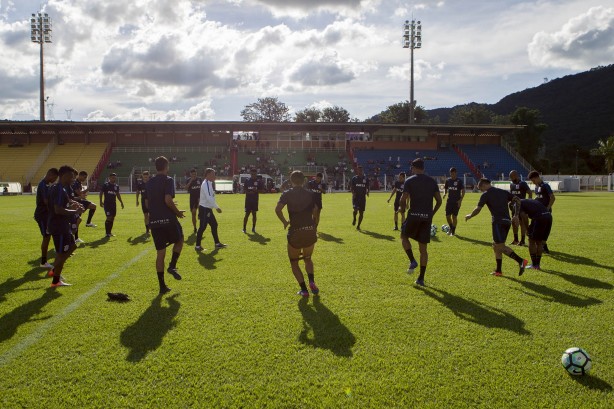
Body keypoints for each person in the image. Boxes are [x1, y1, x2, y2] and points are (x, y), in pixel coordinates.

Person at [465, 178, 528, 277]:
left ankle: (521, 261)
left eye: (480, 188)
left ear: (484, 185)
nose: (481, 190)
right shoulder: (503, 192)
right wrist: (515, 215)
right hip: (507, 222)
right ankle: (498, 270)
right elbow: (517, 200)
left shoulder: (486, 195)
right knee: (496, 246)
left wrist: (470, 215)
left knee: (500, 246)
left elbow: (478, 209)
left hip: (498, 222)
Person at [275, 170, 319, 297]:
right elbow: (316, 209)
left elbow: (278, 209)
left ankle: (304, 290)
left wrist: (284, 221)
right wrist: (314, 223)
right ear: (304, 181)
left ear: (291, 180)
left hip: (296, 232)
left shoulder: (287, 194)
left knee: (294, 262)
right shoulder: (310, 193)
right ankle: (311, 281)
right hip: (310, 231)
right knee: (308, 259)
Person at [399, 159, 442, 286]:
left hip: (413, 215)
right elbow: (439, 201)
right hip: (426, 218)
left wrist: (402, 208)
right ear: (423, 168)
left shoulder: (410, 180)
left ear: (413, 167)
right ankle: (421, 278)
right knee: (423, 249)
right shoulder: (432, 181)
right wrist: (431, 214)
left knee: (403, 236)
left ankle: (412, 260)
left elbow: (403, 198)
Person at [146, 156, 185, 294]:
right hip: (168, 219)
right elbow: (168, 200)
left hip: (155, 221)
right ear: (166, 166)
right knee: (180, 239)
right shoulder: (168, 180)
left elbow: (147, 202)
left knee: (160, 253)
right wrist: (177, 212)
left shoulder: (149, 182)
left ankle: (162, 286)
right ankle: (172, 266)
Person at [47, 165, 85, 287]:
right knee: (62, 252)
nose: (73, 179)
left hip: (60, 224)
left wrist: (72, 206)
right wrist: (75, 211)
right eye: (71, 176)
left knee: (71, 247)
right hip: (59, 225)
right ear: (63, 176)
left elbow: (61, 206)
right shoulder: (58, 189)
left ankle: (55, 272)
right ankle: (55, 279)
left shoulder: (59, 188)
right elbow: (58, 210)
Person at [512, 197, 553, 271]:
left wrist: (528, 229)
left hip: (539, 218)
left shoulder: (517, 205)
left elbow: (524, 217)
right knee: (539, 242)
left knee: (531, 240)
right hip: (548, 216)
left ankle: (534, 265)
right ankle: (537, 265)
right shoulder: (528, 200)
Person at [195, 168, 227, 251]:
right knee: (202, 227)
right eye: (213, 174)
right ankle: (198, 246)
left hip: (207, 209)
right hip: (205, 209)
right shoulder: (206, 184)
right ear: (208, 175)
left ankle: (217, 243)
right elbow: (209, 198)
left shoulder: (208, 183)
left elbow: (211, 197)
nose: (214, 176)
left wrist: (214, 206)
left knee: (214, 225)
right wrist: (217, 207)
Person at [34, 168, 59, 269]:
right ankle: (43, 262)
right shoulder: (43, 185)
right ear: (50, 175)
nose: (55, 180)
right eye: (55, 178)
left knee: (50, 235)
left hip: (46, 215)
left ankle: (55, 254)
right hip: (42, 215)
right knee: (46, 237)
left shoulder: (47, 184)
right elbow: (46, 201)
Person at [528, 171, 555, 254]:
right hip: (538, 212)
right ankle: (542, 246)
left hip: (545, 212)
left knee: (545, 229)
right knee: (537, 229)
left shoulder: (546, 186)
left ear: (537, 177)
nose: (533, 182)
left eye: (533, 180)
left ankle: (543, 246)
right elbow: (539, 197)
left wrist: (547, 208)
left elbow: (552, 197)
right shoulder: (536, 187)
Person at [71, 170, 98, 244]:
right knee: (77, 220)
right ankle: (75, 238)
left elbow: (81, 194)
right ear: (80, 176)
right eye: (84, 177)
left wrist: (83, 197)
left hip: (79, 201)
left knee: (93, 206)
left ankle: (88, 223)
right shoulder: (75, 183)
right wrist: (89, 188)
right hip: (76, 202)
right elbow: (79, 193)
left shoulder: (78, 183)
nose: (85, 179)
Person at [509, 170, 532, 245]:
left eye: (512, 176)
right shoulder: (511, 184)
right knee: (514, 222)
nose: (511, 178)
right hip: (513, 207)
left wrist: (528, 203)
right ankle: (515, 240)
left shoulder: (523, 183)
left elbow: (530, 193)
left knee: (522, 223)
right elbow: (511, 195)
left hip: (522, 206)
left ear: (516, 175)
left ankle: (522, 241)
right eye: (510, 177)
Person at [99, 172, 124, 237]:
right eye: (112, 178)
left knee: (112, 218)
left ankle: (109, 232)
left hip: (113, 204)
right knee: (109, 217)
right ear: (109, 178)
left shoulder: (116, 186)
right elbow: (101, 193)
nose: (114, 179)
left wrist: (121, 202)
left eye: (115, 178)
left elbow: (118, 194)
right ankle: (107, 233)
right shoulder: (106, 185)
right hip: (107, 204)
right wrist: (100, 201)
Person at [442, 167, 465, 236]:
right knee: (447, 216)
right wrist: (444, 194)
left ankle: (453, 232)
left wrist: (460, 200)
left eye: (453, 173)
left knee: (454, 217)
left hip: (456, 202)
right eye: (451, 174)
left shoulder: (459, 181)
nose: (452, 175)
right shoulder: (448, 181)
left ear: (456, 173)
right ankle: (451, 228)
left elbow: (463, 191)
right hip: (449, 201)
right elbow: (445, 188)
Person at [243, 169, 262, 233]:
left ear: (256, 173)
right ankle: (244, 228)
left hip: (255, 200)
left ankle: (253, 228)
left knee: (254, 214)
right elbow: (244, 189)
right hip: (248, 200)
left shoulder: (259, 181)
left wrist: (256, 191)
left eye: (254, 174)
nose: (253, 175)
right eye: (252, 174)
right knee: (247, 214)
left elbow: (263, 190)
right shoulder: (247, 180)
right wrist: (248, 192)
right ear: (250, 174)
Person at [350, 166, 369, 230]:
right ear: (357, 171)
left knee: (361, 212)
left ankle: (358, 226)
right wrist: (353, 193)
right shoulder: (354, 178)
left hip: (362, 198)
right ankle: (354, 218)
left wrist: (368, 192)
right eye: (359, 170)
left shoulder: (365, 178)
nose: (360, 171)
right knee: (355, 210)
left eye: (361, 170)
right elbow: (352, 187)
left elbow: (367, 186)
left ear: (362, 170)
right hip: (356, 197)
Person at [186, 169, 203, 233]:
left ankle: (200, 213)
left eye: (195, 174)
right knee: (193, 213)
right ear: (190, 174)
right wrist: (190, 181)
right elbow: (186, 188)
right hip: (192, 198)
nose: (194, 175)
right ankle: (195, 227)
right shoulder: (188, 180)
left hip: (199, 197)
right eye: (193, 174)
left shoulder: (199, 179)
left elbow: (202, 187)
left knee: (199, 202)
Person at [136, 170, 151, 235]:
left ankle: (151, 226)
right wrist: (137, 200)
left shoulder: (151, 183)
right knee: (146, 215)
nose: (146, 178)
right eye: (144, 177)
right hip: (143, 201)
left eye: (147, 177)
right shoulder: (140, 184)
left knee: (152, 215)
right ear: (142, 177)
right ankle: (147, 230)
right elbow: (137, 192)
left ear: (149, 176)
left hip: (151, 201)